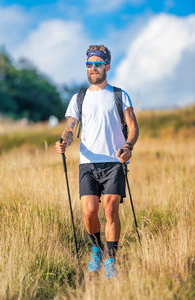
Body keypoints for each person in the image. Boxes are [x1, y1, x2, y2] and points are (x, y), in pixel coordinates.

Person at [55, 45, 139, 278]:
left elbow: (133, 127)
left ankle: (111, 259)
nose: (93, 68)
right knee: (90, 212)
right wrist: (64, 140)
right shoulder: (78, 98)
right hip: (87, 164)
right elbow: (70, 128)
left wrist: (128, 147)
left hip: (113, 161)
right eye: (89, 64)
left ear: (107, 66)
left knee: (111, 210)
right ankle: (96, 248)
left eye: (98, 64)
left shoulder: (119, 95)